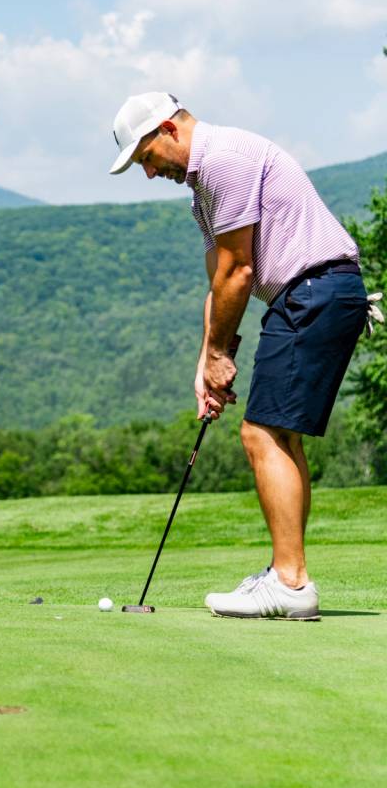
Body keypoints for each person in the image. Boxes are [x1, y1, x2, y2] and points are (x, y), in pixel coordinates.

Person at [109, 91, 375, 620]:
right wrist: (209, 362)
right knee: (279, 432)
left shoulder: (223, 160)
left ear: (167, 129)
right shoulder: (202, 190)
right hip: (312, 293)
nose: (148, 173)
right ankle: (287, 573)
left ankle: (291, 584)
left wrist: (217, 355)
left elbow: (240, 272)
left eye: (146, 158)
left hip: (313, 290)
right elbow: (220, 282)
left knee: (261, 433)